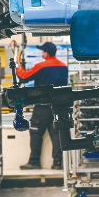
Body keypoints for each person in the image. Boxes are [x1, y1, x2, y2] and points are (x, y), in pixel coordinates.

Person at [15, 41, 69, 170]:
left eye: (42, 51)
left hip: (43, 105)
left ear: (46, 53)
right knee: (56, 134)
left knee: (36, 132)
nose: (42, 53)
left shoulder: (42, 66)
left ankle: (34, 162)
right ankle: (57, 163)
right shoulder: (64, 66)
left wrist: (17, 65)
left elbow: (23, 77)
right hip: (59, 105)